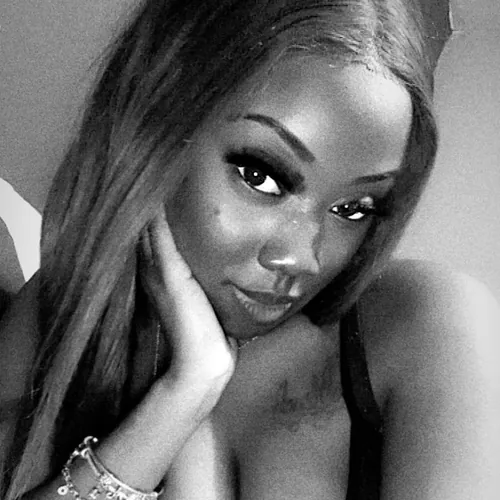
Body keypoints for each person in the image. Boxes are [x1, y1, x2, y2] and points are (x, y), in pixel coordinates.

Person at [0, 0, 499, 499]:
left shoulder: (432, 326)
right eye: (260, 176)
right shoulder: (62, 318)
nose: (302, 258)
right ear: (156, 131)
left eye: (352, 209)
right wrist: (184, 395)